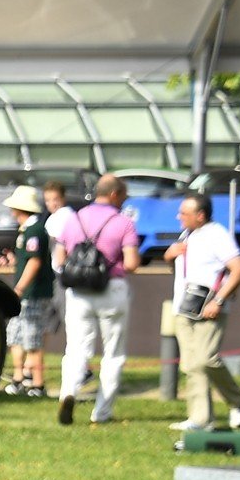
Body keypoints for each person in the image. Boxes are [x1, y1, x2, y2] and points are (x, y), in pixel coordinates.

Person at [53, 172, 141, 426]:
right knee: (113, 353)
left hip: (79, 292)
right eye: (123, 195)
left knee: (76, 349)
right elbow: (132, 263)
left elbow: (60, 259)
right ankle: (101, 413)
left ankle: (68, 392)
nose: (124, 201)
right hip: (112, 289)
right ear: (114, 194)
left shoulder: (74, 219)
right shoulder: (123, 222)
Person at [162, 192, 240, 432]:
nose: (179, 217)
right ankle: (200, 419)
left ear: (200, 216)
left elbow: (238, 268)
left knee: (206, 358)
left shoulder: (217, 235)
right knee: (191, 364)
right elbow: (182, 271)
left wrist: (219, 301)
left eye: (184, 213)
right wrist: (169, 256)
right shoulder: (186, 235)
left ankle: (237, 401)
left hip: (209, 307)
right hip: (184, 307)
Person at [0, 184, 52, 398]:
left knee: (32, 339)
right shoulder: (26, 231)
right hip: (25, 293)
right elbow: (26, 260)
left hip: (33, 294)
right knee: (16, 336)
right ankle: (19, 378)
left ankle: (37, 384)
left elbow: (34, 262)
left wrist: (20, 288)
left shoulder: (35, 230)